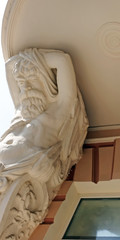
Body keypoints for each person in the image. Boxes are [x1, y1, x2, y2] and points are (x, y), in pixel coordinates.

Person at [0, 48, 88, 190]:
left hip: (25, 166)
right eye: (22, 83)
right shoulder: (21, 111)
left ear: (45, 81)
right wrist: (27, 62)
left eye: (32, 79)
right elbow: (9, 67)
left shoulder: (60, 109)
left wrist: (33, 58)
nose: (26, 88)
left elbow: (62, 60)